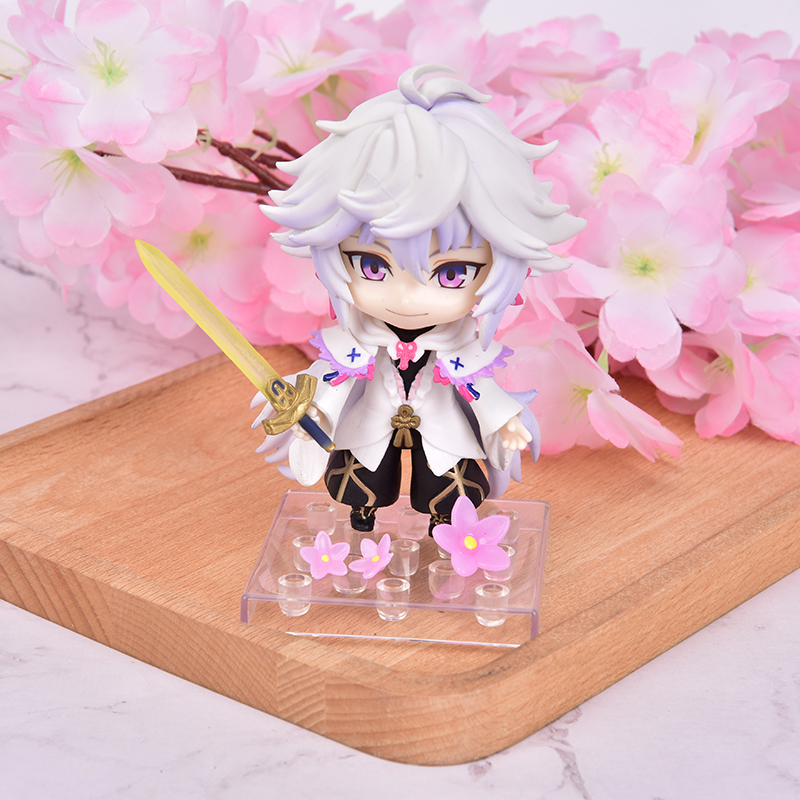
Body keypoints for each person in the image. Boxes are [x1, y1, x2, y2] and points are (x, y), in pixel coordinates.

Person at [253, 64, 585, 533]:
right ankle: (363, 512)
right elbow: (333, 378)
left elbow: (479, 389)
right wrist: (311, 405)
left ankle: (445, 521)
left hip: (441, 426)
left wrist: (504, 421)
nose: (407, 297)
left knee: (448, 483)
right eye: (373, 266)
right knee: (360, 476)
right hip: (373, 422)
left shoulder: (461, 348)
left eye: (451, 273)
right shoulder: (358, 339)